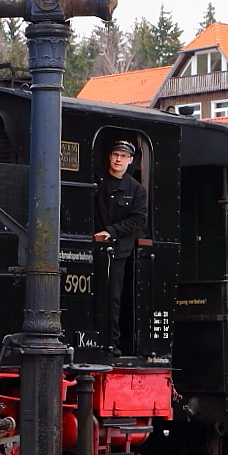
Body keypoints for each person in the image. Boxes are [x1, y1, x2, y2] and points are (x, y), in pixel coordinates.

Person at [93, 140, 148, 356]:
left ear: (130, 160)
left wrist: (112, 231)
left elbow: (138, 221)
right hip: (93, 245)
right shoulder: (96, 181)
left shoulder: (136, 190)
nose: (118, 159)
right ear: (109, 157)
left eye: (123, 156)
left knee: (113, 297)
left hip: (117, 250)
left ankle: (111, 344)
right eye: (115, 154)